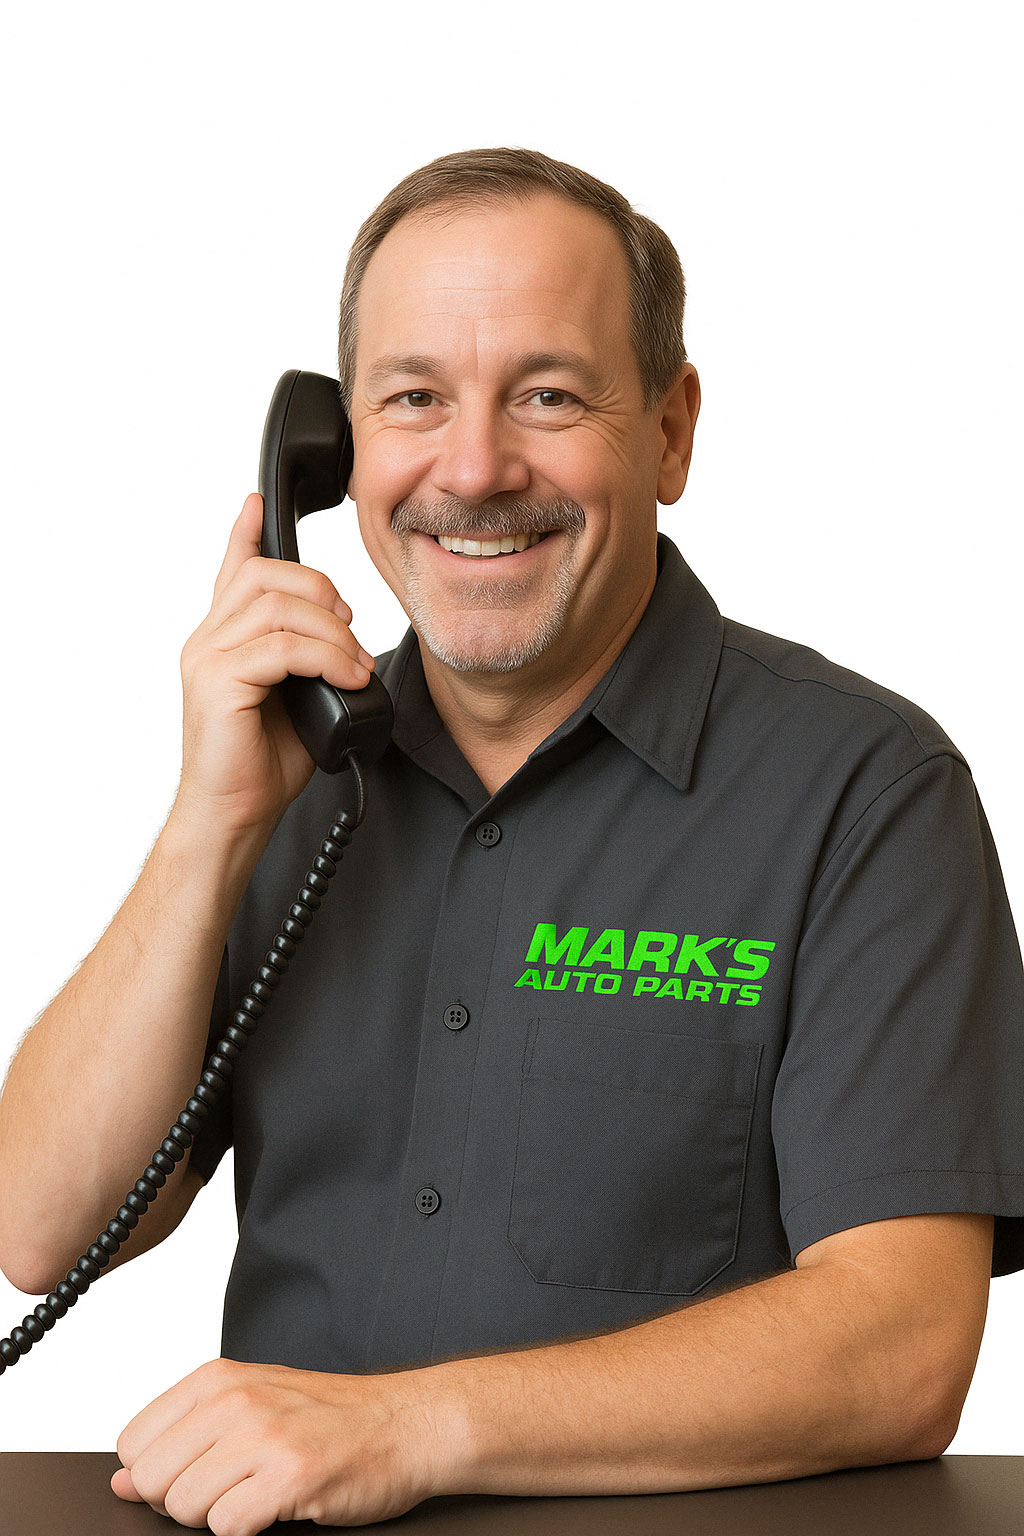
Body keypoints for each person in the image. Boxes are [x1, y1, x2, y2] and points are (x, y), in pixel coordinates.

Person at [1, 146, 1022, 1530]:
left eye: (548, 394)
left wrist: (407, 1428)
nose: (474, 469)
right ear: (332, 449)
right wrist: (210, 824)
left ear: (671, 431)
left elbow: (903, 1348)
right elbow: (39, 1229)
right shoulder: (285, 781)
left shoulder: (868, 792)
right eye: (414, 398)